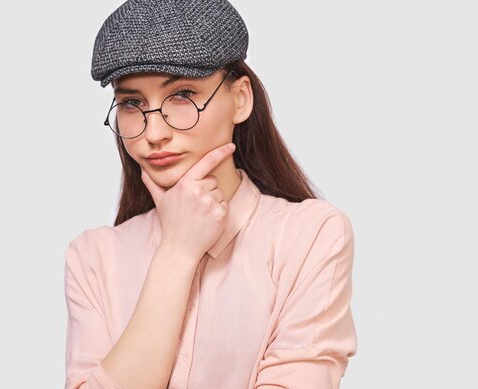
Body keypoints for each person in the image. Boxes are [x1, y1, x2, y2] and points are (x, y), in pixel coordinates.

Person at [64, 1, 357, 388]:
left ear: (240, 99)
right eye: (132, 103)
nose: (154, 133)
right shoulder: (93, 257)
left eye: (182, 94)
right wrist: (176, 253)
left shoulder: (310, 235)